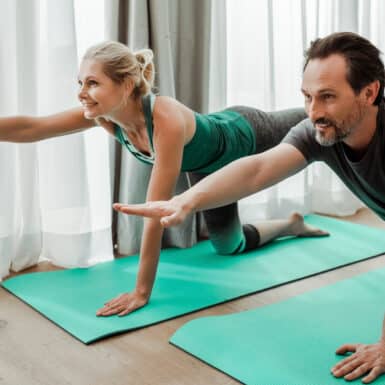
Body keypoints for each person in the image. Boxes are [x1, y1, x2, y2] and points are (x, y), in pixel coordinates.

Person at [113, 32, 385, 383]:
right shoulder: (320, 132)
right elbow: (257, 169)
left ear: (370, 92)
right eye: (307, 97)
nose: (314, 111)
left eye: (328, 97)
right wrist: (183, 202)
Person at [0, 41, 327, 317]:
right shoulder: (105, 116)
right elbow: (34, 128)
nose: (82, 94)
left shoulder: (164, 118)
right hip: (209, 170)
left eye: (93, 83)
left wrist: (141, 292)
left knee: (318, 121)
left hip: (246, 132)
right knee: (229, 246)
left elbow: (156, 212)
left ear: (126, 85)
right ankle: (292, 224)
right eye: (80, 83)